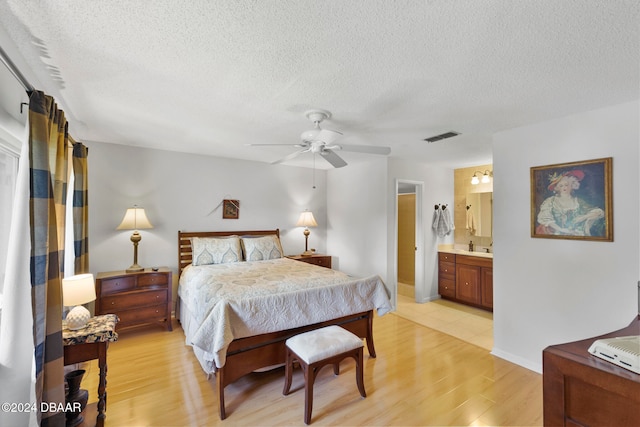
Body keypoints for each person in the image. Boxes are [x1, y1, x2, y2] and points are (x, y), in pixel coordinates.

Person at [536, 170, 605, 236]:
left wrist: (582, 217)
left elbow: (597, 212)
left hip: (574, 232)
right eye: (561, 186)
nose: (564, 188)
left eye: (566, 185)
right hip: (554, 232)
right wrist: (562, 229)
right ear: (557, 188)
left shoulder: (577, 201)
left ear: (571, 186)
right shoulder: (550, 201)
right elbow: (546, 218)